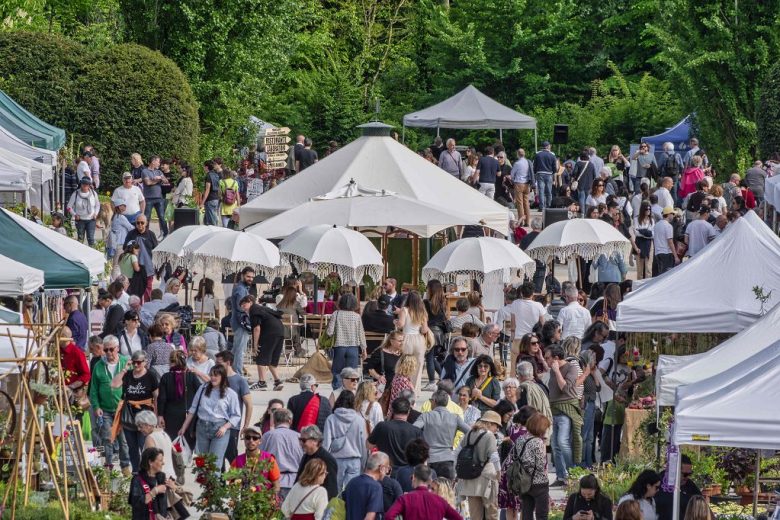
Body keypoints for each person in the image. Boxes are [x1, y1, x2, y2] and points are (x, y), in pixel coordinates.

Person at [178, 364, 241, 471]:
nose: (213, 378)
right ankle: (208, 487)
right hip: (202, 427)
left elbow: (236, 415)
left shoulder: (230, 394)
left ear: (223, 377)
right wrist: (183, 427)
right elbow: (193, 409)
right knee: (202, 463)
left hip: (219, 429)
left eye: (216, 375)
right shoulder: (203, 388)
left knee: (215, 464)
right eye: (211, 375)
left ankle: (214, 486)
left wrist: (225, 427)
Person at [90, 335, 131, 475]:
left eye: (111, 349)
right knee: (107, 438)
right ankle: (108, 466)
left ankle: (125, 466)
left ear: (117, 348)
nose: (108, 352)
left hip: (122, 408)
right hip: (105, 409)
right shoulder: (98, 366)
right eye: (106, 349)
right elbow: (93, 389)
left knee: (123, 439)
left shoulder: (126, 363)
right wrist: (96, 406)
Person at [112, 350, 159, 473]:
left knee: (144, 446)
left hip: (145, 418)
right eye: (134, 363)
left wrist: (157, 416)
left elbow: (156, 397)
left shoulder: (151, 375)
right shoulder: (127, 374)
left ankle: (146, 471)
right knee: (132, 448)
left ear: (145, 362)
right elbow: (114, 384)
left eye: (139, 362)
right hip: (130, 416)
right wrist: (124, 369)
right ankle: (136, 472)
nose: (136, 365)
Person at [413, 389, 470, 479]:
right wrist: (462, 446)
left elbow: (413, 429)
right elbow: (470, 432)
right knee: (446, 490)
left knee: (430, 490)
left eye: (431, 401)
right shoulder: (455, 417)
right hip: (448, 459)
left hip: (430, 459)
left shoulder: (426, 416)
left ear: (434, 401)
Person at [545, 345, 581, 486]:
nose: (546, 360)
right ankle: (561, 477)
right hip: (554, 410)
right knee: (555, 445)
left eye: (548, 358)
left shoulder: (571, 368)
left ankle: (572, 474)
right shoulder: (553, 369)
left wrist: (557, 371)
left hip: (566, 410)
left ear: (556, 358)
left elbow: (565, 388)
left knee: (563, 442)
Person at [457, 410, 502, 520]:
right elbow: (494, 456)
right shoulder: (489, 435)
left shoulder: (469, 433)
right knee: (491, 513)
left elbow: (457, 452)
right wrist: (499, 472)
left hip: (470, 478)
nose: (497, 429)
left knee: (475, 515)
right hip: (486, 478)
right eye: (496, 425)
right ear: (489, 423)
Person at [509, 412, 552, 520]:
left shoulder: (520, 439)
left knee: (526, 513)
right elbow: (540, 465)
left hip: (523, 481)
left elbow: (515, 456)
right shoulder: (538, 442)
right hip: (539, 483)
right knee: (542, 514)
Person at [323, 390, 368, 491]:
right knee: (351, 490)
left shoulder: (331, 418)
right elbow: (363, 444)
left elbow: (326, 443)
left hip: (336, 459)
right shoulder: (359, 420)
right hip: (355, 460)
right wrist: (364, 463)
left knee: (335, 490)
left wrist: (324, 462)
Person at [240, 295, 286, 391]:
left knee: (261, 357)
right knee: (271, 360)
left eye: (244, 305)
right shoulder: (263, 308)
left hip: (270, 333)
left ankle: (262, 383)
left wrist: (255, 345)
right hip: (280, 332)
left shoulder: (254, 310)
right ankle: (278, 381)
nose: (243, 308)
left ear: (250, 302)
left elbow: (256, 328)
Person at [385, 464, 462, 520]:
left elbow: (389, 516)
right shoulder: (440, 501)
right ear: (430, 480)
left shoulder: (405, 499)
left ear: (414, 477)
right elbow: (458, 518)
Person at [257, 408, 303, 499]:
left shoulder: (268, 435)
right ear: (290, 421)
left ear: (274, 420)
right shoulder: (299, 437)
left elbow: (259, 458)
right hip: (294, 481)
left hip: (272, 482)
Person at [326, 293, 367, 390]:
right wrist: (364, 349)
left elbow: (329, 332)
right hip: (353, 348)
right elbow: (361, 334)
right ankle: (350, 391)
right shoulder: (356, 316)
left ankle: (337, 391)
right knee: (351, 373)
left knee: (337, 372)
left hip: (339, 347)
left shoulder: (336, 314)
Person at [157, 350, 200, 443]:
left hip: (170, 416)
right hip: (188, 415)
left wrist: (160, 415)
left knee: (172, 444)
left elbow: (162, 398)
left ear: (170, 361)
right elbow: (200, 393)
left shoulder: (165, 377)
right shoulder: (191, 376)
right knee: (188, 445)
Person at [368, 397, 422, 470]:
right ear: (408, 411)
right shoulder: (416, 431)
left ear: (392, 410)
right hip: (407, 472)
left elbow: (369, 445)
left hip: (385, 470)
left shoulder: (382, 426)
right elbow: (421, 455)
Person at [230, 425, 282, 493]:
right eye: (248, 437)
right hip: (243, 501)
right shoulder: (237, 461)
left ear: (260, 441)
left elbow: (277, 486)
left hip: (263, 501)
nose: (251, 441)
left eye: (255, 438)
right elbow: (231, 485)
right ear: (244, 440)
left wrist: (266, 498)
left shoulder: (269, 459)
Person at [509, 282, 546, 377]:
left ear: (521, 292)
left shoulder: (515, 304)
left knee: (514, 367)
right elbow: (543, 324)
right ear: (533, 293)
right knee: (533, 366)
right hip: (532, 340)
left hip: (518, 338)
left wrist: (512, 338)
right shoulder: (538, 306)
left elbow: (513, 325)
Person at [396, 291, 430, 393]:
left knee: (404, 365)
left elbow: (401, 324)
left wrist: (396, 322)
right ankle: (414, 392)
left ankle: (404, 388)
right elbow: (424, 330)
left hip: (406, 338)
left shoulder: (404, 310)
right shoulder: (422, 312)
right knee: (418, 367)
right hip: (419, 340)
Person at [128, 447, 175, 520]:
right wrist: (154, 491)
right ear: (150, 462)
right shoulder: (137, 480)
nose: (163, 463)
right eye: (160, 460)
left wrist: (173, 488)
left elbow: (166, 504)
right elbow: (136, 503)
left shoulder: (161, 477)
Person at [343, 452, 388, 520]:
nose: (387, 472)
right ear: (382, 468)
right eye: (387, 468)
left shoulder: (352, 482)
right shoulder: (376, 487)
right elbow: (370, 517)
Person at [123, 215, 158, 302]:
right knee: (134, 292)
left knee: (147, 291)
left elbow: (157, 250)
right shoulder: (131, 234)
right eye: (138, 223)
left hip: (148, 269)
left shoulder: (151, 234)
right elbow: (125, 248)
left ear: (146, 223)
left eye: (142, 223)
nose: (140, 225)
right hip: (134, 269)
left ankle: (147, 308)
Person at [655, 454, 702, 520]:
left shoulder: (690, 485)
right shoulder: (657, 483)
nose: (687, 477)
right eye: (685, 474)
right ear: (673, 471)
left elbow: (702, 504)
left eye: (690, 474)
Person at [136, 410, 176, 480]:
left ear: (148, 424)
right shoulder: (165, 434)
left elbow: (151, 463)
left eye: (140, 426)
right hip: (170, 476)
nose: (139, 429)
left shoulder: (150, 438)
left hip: (159, 479)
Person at [423, 280, 448, 391]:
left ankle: (432, 381)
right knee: (432, 358)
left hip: (430, 331)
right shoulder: (443, 302)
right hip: (440, 333)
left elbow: (424, 318)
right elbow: (446, 318)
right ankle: (444, 376)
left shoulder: (426, 302)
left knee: (429, 358)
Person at [230, 266, 255, 371]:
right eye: (248, 276)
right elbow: (242, 307)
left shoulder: (243, 288)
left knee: (235, 350)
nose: (250, 279)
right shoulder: (241, 289)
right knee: (240, 350)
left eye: (252, 277)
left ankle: (227, 371)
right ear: (242, 276)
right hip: (241, 323)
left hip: (238, 322)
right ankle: (238, 374)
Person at [366, 330, 403, 398]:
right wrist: (378, 376)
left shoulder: (403, 354)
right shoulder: (380, 353)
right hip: (384, 389)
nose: (402, 343)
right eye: (400, 341)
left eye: (403, 340)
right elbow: (369, 368)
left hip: (398, 388)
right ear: (392, 341)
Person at [67, 177, 100, 246]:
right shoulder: (75, 194)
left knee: (91, 239)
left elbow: (97, 205)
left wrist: (95, 214)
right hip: (80, 220)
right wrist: (75, 214)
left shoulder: (93, 194)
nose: (85, 186)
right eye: (83, 184)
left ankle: (91, 253)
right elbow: (69, 207)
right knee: (80, 239)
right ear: (81, 184)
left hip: (91, 220)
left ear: (89, 185)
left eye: (87, 184)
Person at [511, 147, 535, 226]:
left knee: (520, 203)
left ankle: (521, 221)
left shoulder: (517, 163)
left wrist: (513, 179)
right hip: (527, 184)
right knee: (526, 203)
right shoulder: (528, 162)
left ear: (518, 154)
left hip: (519, 183)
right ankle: (527, 222)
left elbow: (512, 174)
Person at [653, 207, 679, 276]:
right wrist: (676, 256)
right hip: (666, 253)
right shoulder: (668, 226)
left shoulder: (656, 225)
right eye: (672, 214)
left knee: (661, 274)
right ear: (669, 214)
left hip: (658, 253)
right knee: (667, 275)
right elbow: (670, 241)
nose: (673, 216)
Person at [533, 141, 558, 210]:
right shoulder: (552, 155)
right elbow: (554, 167)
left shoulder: (537, 155)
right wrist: (554, 176)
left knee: (541, 191)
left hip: (540, 173)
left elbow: (534, 165)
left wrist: (535, 173)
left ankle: (541, 207)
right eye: (550, 146)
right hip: (549, 174)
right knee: (549, 191)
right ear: (547, 146)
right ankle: (549, 206)